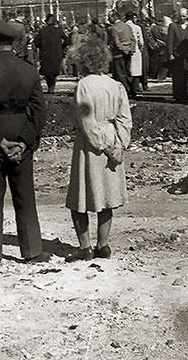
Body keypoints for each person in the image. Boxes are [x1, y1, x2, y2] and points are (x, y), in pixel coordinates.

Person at [0, 19, 49, 264]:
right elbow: (39, 112)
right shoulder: (29, 70)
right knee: (25, 194)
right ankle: (32, 250)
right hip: (21, 131)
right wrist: (25, 142)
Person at [64, 37, 132, 262]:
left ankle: (85, 247)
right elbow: (125, 118)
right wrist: (120, 144)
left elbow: (87, 120)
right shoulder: (115, 85)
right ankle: (103, 244)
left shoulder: (84, 86)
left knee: (81, 196)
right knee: (107, 196)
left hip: (90, 145)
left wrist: (101, 143)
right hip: (112, 137)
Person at [166, 7, 188, 103]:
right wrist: (170, 53)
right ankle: (177, 95)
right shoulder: (173, 26)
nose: (182, 18)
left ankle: (186, 95)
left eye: (184, 16)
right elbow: (169, 41)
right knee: (177, 76)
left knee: (186, 75)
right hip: (177, 55)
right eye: (180, 16)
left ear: (187, 16)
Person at [36, 13, 69, 94]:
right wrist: (61, 47)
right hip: (56, 53)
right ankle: (52, 87)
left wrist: (41, 47)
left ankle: (49, 86)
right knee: (54, 71)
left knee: (47, 71)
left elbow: (36, 42)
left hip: (45, 53)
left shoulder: (42, 31)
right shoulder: (59, 30)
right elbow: (67, 40)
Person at [108, 11, 135, 95]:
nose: (108, 19)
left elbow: (116, 43)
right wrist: (130, 49)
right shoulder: (127, 26)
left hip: (118, 53)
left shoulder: (113, 28)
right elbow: (133, 39)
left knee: (120, 73)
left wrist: (122, 49)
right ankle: (132, 89)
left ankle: (125, 90)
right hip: (128, 52)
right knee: (128, 71)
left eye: (109, 17)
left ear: (114, 17)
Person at [125, 12, 145, 95]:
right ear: (133, 18)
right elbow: (141, 42)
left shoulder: (124, 26)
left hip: (126, 50)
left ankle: (128, 88)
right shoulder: (137, 28)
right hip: (136, 50)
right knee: (136, 70)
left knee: (128, 69)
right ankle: (135, 87)